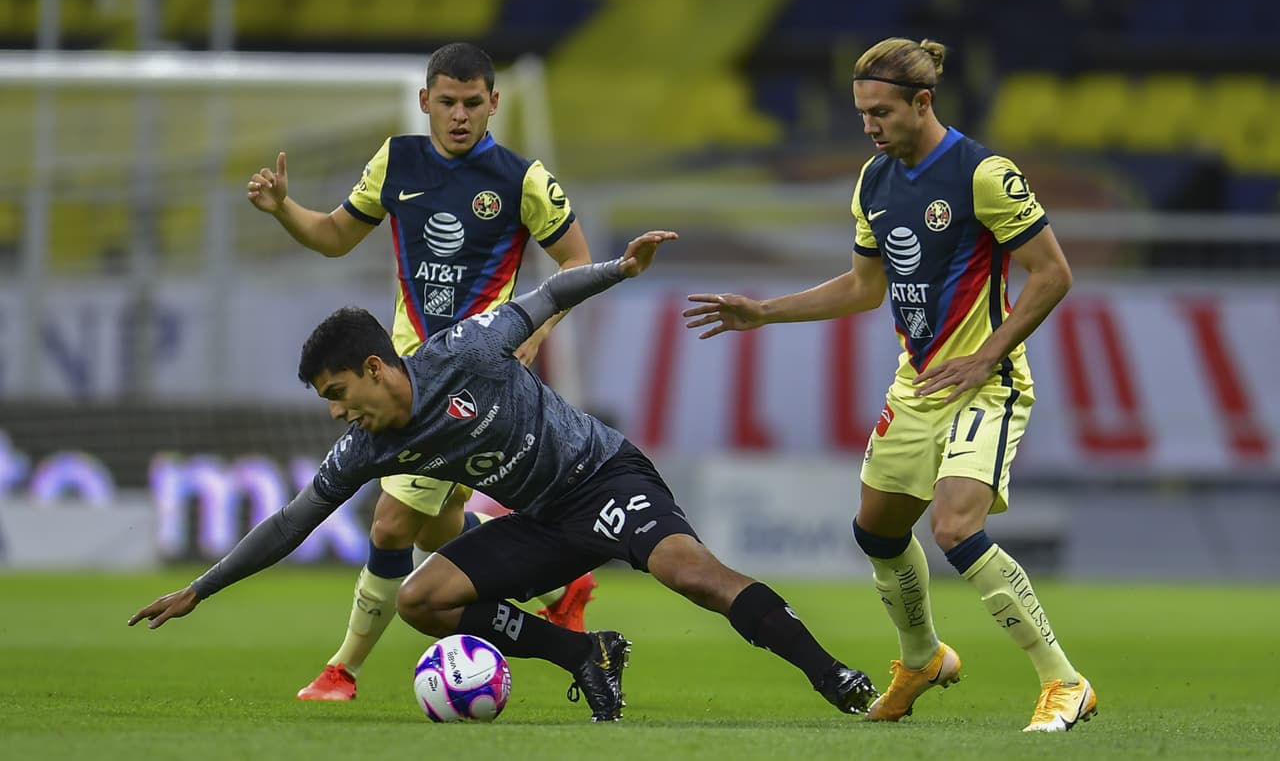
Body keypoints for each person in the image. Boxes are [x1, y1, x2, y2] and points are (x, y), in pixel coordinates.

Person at [128, 230, 879, 723]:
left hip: (603, 478)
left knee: (694, 576)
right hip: (545, 520)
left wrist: (618, 268)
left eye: (336, 395)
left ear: (373, 369)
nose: (335, 414)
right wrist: (201, 588)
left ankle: (832, 676)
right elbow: (293, 520)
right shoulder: (368, 444)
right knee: (424, 600)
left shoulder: (465, 351)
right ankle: (586, 654)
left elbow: (548, 296)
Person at [683, 38, 1097, 733]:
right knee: (876, 531)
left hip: (986, 383)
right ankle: (923, 656)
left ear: (922, 102)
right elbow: (862, 287)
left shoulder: (982, 173)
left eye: (881, 112)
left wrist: (987, 352)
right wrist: (764, 310)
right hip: (919, 386)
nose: (870, 126)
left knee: (955, 525)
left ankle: (1065, 680)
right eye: (861, 113)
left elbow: (1053, 273)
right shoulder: (873, 181)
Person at [244, 41, 597, 701]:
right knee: (438, 530)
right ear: (424, 102)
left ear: (494, 103)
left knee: (390, 523)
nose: (459, 115)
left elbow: (577, 262)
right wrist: (284, 209)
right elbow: (333, 235)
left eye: (472, 103)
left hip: (472, 382)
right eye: (447, 102)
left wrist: (537, 332)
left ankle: (341, 669)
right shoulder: (396, 160)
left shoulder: (522, 179)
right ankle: (560, 581)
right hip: (404, 376)